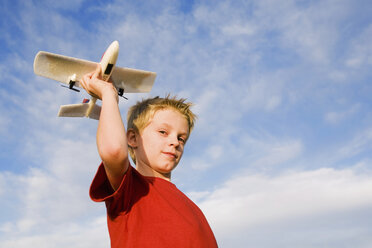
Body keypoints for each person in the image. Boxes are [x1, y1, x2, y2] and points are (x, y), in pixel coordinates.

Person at [80, 66, 218, 247]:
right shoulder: (130, 189)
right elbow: (114, 150)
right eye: (163, 132)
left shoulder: (193, 209)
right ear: (132, 138)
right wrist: (108, 94)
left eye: (181, 138)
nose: (175, 142)